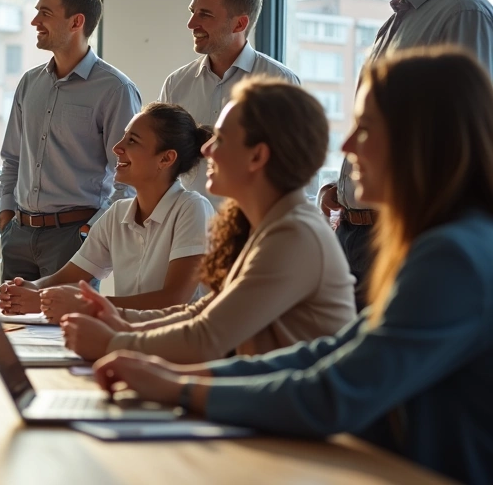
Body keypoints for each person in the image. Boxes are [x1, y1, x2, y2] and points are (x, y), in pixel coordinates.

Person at [91, 48, 493, 484]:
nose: (346, 145)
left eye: (365, 128)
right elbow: (327, 355)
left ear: (419, 138)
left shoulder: (452, 256)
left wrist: (178, 384)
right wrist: (178, 376)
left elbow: (334, 392)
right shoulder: (448, 243)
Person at [60, 79, 355, 364]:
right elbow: (201, 314)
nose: (205, 149)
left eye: (221, 139)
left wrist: (112, 340)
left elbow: (206, 337)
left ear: (257, 156)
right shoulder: (267, 226)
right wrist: (115, 321)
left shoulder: (294, 233)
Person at [319, 0, 493, 308]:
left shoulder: (464, 15)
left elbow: (462, 147)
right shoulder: (394, 22)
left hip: (403, 238)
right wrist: (343, 189)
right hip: (357, 233)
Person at [0, 103, 214, 315]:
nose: (117, 147)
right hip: (129, 339)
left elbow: (173, 300)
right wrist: (30, 289)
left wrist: (82, 304)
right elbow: (65, 278)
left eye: (132, 141)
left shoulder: (192, 208)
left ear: (166, 158)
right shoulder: (117, 213)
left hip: (178, 346)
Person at [0, 0, 143, 286]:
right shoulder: (29, 83)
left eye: (45, 13)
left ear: (77, 21)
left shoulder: (115, 89)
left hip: (74, 238)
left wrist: (91, 231)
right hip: (19, 234)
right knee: (11, 329)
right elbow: (12, 158)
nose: (35, 20)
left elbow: (130, 175)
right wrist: (6, 216)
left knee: (65, 332)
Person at [158, 0, 300, 207]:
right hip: (186, 231)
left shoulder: (280, 83)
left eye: (205, 14)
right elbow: (162, 165)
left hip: (251, 229)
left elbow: (296, 168)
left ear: (240, 23)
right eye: (193, 12)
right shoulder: (176, 84)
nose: (191, 24)